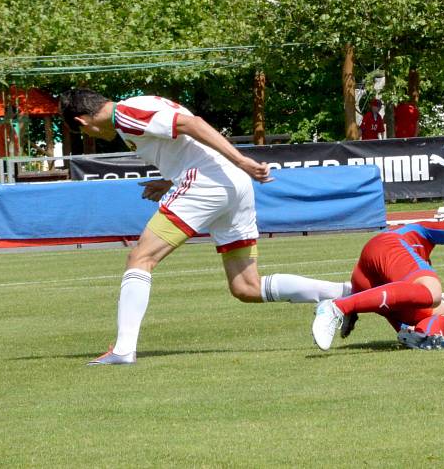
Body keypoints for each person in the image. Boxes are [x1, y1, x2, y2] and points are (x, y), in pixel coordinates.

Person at [60, 89, 345, 366]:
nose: (91, 136)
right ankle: (347, 294)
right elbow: (187, 145)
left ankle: (123, 350)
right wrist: (170, 181)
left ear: (82, 121)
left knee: (140, 259)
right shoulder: (134, 109)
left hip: (206, 184)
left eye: (84, 133)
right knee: (246, 287)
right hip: (233, 185)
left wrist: (243, 160)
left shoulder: (124, 115)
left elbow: (191, 124)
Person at [305, 221, 444, 351]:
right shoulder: (421, 230)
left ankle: (423, 335)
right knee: (433, 293)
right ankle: (337, 307)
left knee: (436, 310)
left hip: (365, 278)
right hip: (387, 245)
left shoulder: (410, 283)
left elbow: (397, 309)